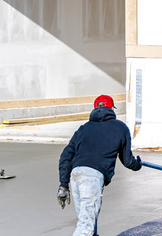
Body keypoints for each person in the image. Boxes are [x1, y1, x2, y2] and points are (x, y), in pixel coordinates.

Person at [57, 94, 142, 236]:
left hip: (76, 175)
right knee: (86, 226)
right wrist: (137, 165)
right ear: (111, 108)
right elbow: (127, 160)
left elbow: (65, 156)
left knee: (87, 219)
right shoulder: (120, 128)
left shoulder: (83, 129)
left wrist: (63, 185)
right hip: (92, 177)